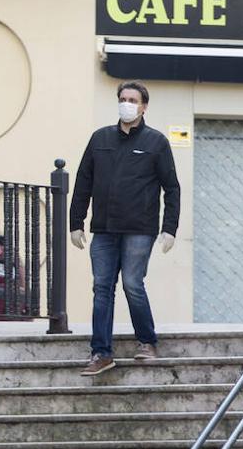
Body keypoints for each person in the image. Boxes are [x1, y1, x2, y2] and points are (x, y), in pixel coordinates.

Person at [69, 81, 181, 376]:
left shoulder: (156, 142)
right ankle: (101, 353)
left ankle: (147, 342)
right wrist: (75, 223)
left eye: (133, 99)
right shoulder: (100, 138)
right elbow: (83, 182)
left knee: (133, 284)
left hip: (139, 229)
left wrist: (169, 228)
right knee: (102, 289)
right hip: (104, 229)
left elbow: (172, 187)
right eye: (123, 98)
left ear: (144, 106)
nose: (127, 103)